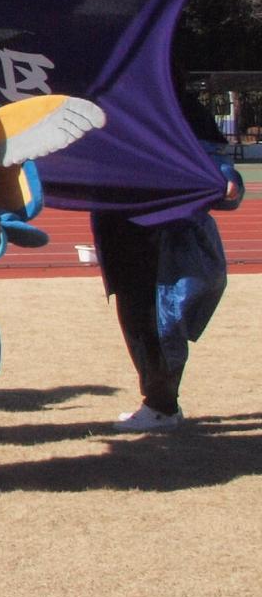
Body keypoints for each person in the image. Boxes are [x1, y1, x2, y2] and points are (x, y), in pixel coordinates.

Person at [93, 90, 246, 431]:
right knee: (136, 320)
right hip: (121, 231)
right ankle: (157, 402)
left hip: (167, 240)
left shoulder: (181, 109)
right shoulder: (111, 105)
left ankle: (161, 405)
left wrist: (227, 182)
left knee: (162, 324)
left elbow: (221, 175)